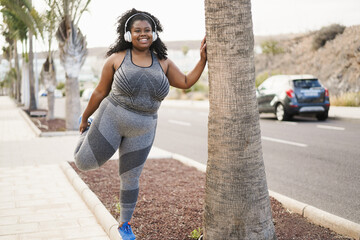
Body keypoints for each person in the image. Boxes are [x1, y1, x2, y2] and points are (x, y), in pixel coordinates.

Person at [74, 8, 207, 240]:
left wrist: (203, 59)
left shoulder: (163, 63)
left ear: (154, 33)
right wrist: (85, 118)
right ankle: (88, 134)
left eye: (147, 30)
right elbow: (99, 92)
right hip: (111, 118)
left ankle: (124, 224)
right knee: (83, 162)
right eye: (137, 31)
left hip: (144, 127)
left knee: (130, 176)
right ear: (128, 34)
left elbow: (185, 81)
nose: (142, 34)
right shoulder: (116, 59)